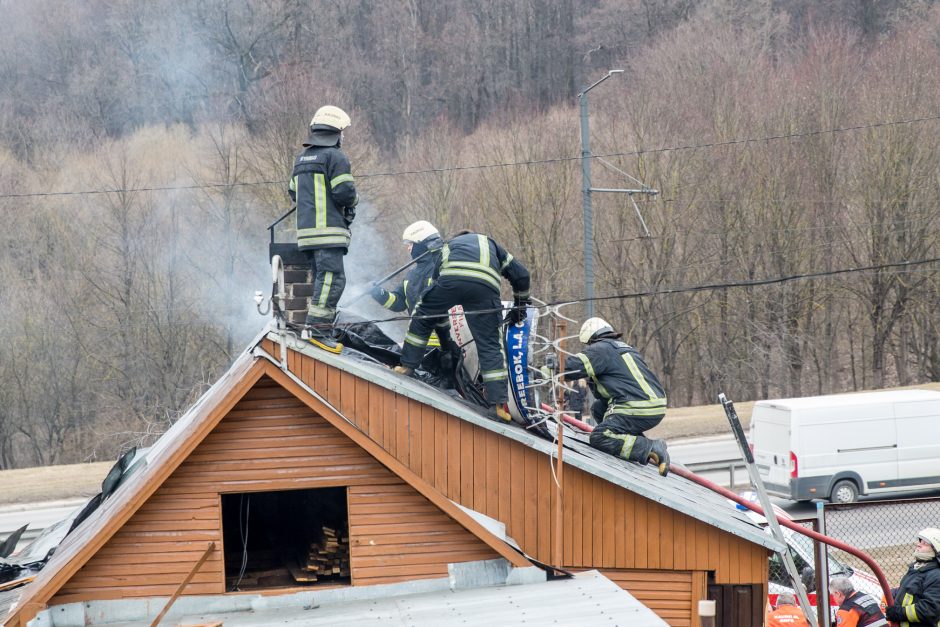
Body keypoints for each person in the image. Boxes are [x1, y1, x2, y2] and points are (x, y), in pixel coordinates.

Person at [394, 230, 530, 422]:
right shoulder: (492, 245)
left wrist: (446, 340)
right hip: (486, 289)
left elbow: (435, 308)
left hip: (451, 279)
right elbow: (522, 275)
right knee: (490, 344)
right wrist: (520, 306)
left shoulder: (448, 246)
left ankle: (407, 367)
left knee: (422, 316)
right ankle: (498, 406)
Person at [288, 105, 359, 351]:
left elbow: (292, 192)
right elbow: (345, 193)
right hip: (329, 233)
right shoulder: (336, 157)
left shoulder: (300, 159)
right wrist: (354, 201)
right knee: (333, 279)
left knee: (322, 279)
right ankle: (317, 329)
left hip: (306, 235)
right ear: (336, 132)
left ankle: (318, 327)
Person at [563, 317, 670, 476]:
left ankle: (650, 447)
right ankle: (637, 443)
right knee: (599, 409)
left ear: (591, 339)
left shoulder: (600, 349)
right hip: (654, 405)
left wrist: (547, 368)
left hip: (637, 407)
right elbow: (604, 393)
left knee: (600, 437)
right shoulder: (626, 348)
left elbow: (570, 367)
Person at [884, 528, 940, 626]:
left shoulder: (936, 576)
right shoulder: (917, 569)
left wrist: (898, 613)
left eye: (925, 544)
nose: (918, 544)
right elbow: (911, 591)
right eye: (920, 541)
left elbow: (929, 609)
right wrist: (894, 594)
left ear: (935, 549)